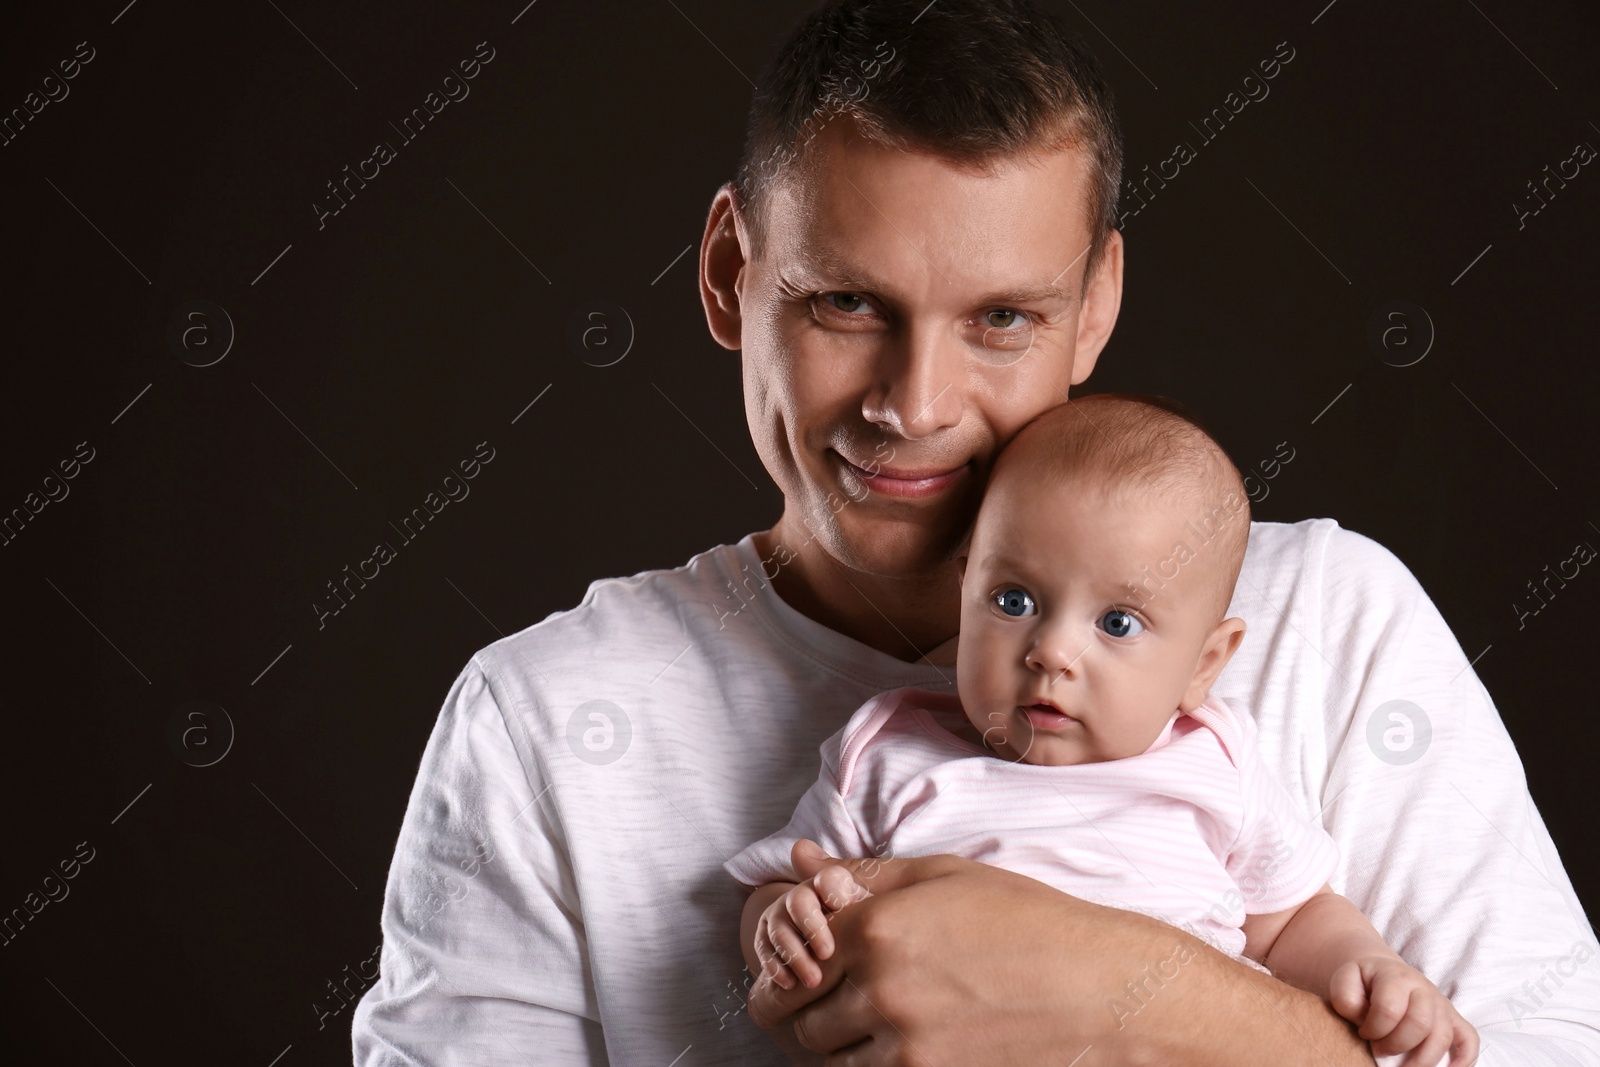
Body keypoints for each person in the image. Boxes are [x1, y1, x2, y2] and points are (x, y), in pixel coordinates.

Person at [351, 1, 1600, 1064]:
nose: (916, 405)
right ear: (732, 272)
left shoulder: (1332, 624)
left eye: (1002, 317)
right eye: (847, 303)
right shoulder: (542, 722)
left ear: (1095, 303)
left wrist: (1126, 994)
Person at [728, 394, 1478, 1067]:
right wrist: (780, 922)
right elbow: (784, 880)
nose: (1053, 651)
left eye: (1118, 622)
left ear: (1202, 664)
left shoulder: (1215, 758)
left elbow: (1292, 918)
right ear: (966, 594)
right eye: (1014, 599)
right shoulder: (887, 749)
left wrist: (1370, 965)